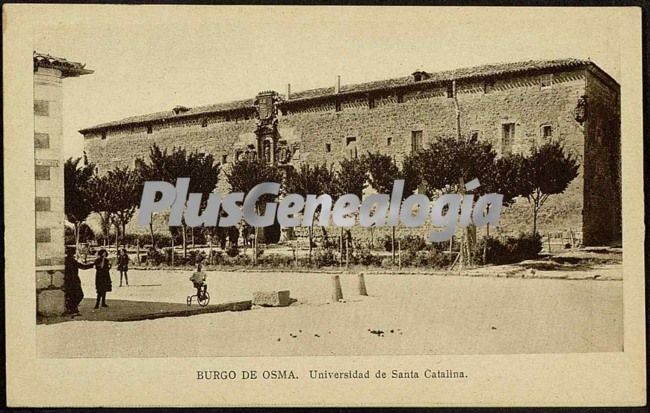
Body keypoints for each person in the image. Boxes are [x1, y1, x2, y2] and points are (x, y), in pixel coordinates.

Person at [63, 247, 94, 316]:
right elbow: (83, 266)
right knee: (79, 295)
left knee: (72, 295)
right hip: (73, 281)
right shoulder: (72, 261)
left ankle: (72, 309)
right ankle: (72, 309)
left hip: (69, 281)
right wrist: (92, 265)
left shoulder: (66, 260)